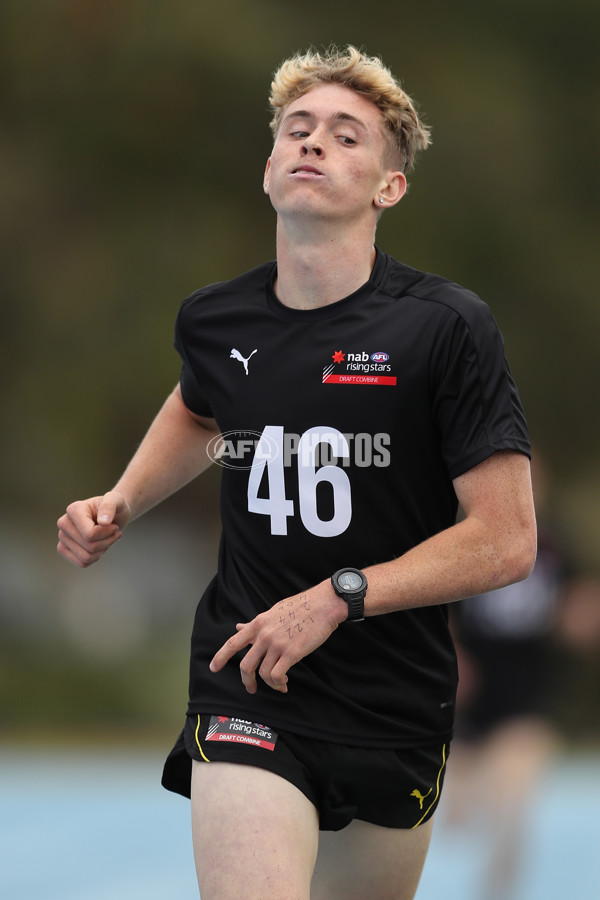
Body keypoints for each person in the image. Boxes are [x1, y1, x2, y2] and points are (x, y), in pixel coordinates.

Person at [56, 46, 537, 900]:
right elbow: (199, 409)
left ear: (389, 186)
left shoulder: (446, 328)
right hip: (247, 681)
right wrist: (122, 499)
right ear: (270, 166)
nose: (314, 144)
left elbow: (505, 543)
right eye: (297, 129)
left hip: (394, 701)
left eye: (346, 136)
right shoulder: (215, 318)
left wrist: (336, 597)